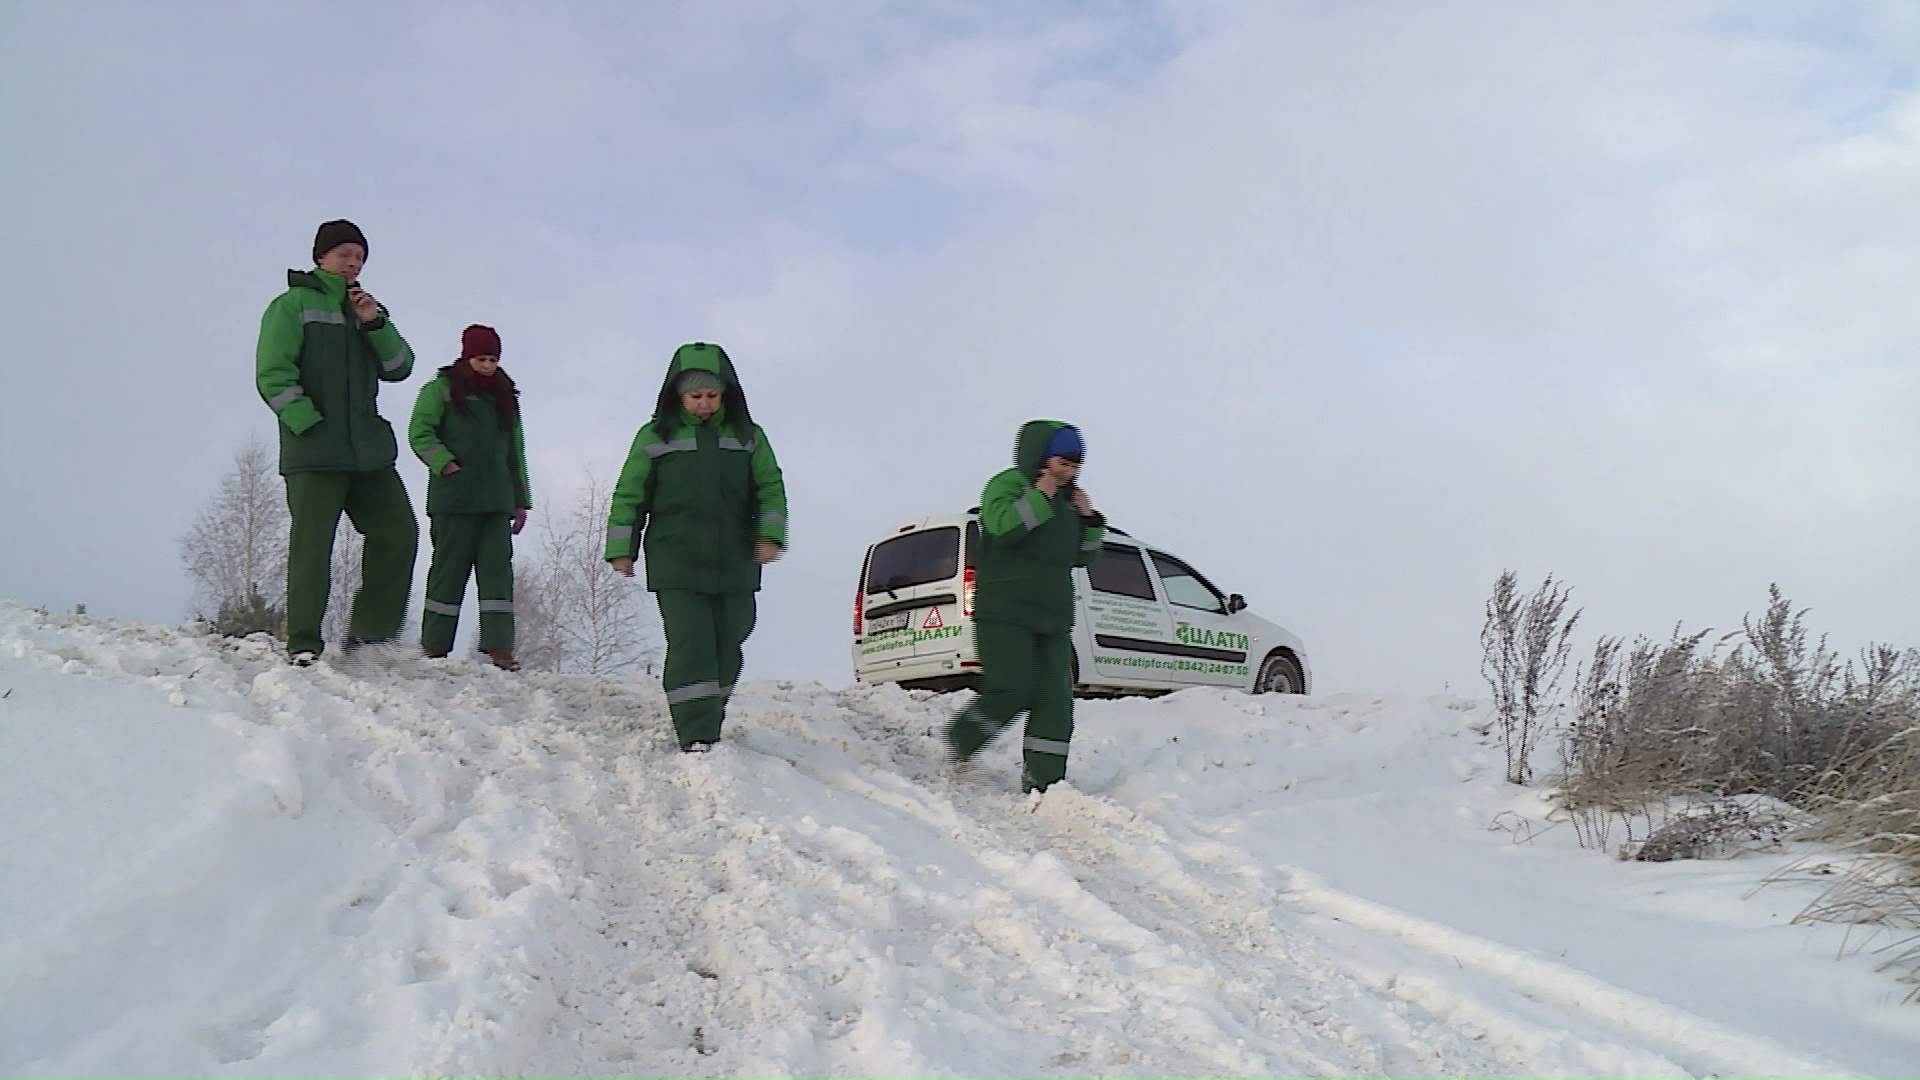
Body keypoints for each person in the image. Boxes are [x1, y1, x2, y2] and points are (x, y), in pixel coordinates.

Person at [604, 343, 788, 751]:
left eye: (712, 396)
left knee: (731, 636)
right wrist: (622, 547)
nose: (704, 405)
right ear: (677, 396)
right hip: (676, 557)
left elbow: (770, 488)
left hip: (735, 557)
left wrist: (770, 536)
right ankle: (696, 733)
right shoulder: (654, 437)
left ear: (726, 394)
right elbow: (629, 494)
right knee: (691, 641)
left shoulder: (748, 437)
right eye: (695, 397)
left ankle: (710, 713)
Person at [255, 219, 419, 665]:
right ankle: (304, 644)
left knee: (398, 534)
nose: (353, 263)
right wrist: (307, 423)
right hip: (314, 451)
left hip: (368, 453)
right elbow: (273, 374)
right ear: (321, 257)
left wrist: (374, 322)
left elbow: (400, 366)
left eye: (360, 256)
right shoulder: (292, 305)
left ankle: (371, 640)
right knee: (313, 546)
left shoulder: (368, 310)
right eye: (345, 253)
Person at [945, 421, 1105, 792]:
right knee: (1011, 689)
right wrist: (1040, 497)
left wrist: (1090, 521)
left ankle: (1044, 783)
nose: (1068, 472)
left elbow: (1084, 557)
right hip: (1005, 610)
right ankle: (960, 743)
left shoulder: (1069, 502)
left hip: (1052, 616)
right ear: (1039, 457)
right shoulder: (1008, 485)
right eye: (1062, 463)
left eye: (1074, 465)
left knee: (1055, 701)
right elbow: (1003, 528)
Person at [409, 325, 531, 670]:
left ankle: (500, 650)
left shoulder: (506, 397)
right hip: (454, 501)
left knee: (497, 575)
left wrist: (521, 501)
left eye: (493, 359)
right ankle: (434, 647)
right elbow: (420, 431)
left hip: (496, 503)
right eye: (481, 358)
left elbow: (514, 453)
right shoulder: (441, 390)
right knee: (448, 572)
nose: (487, 366)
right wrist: (443, 463)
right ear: (467, 356)